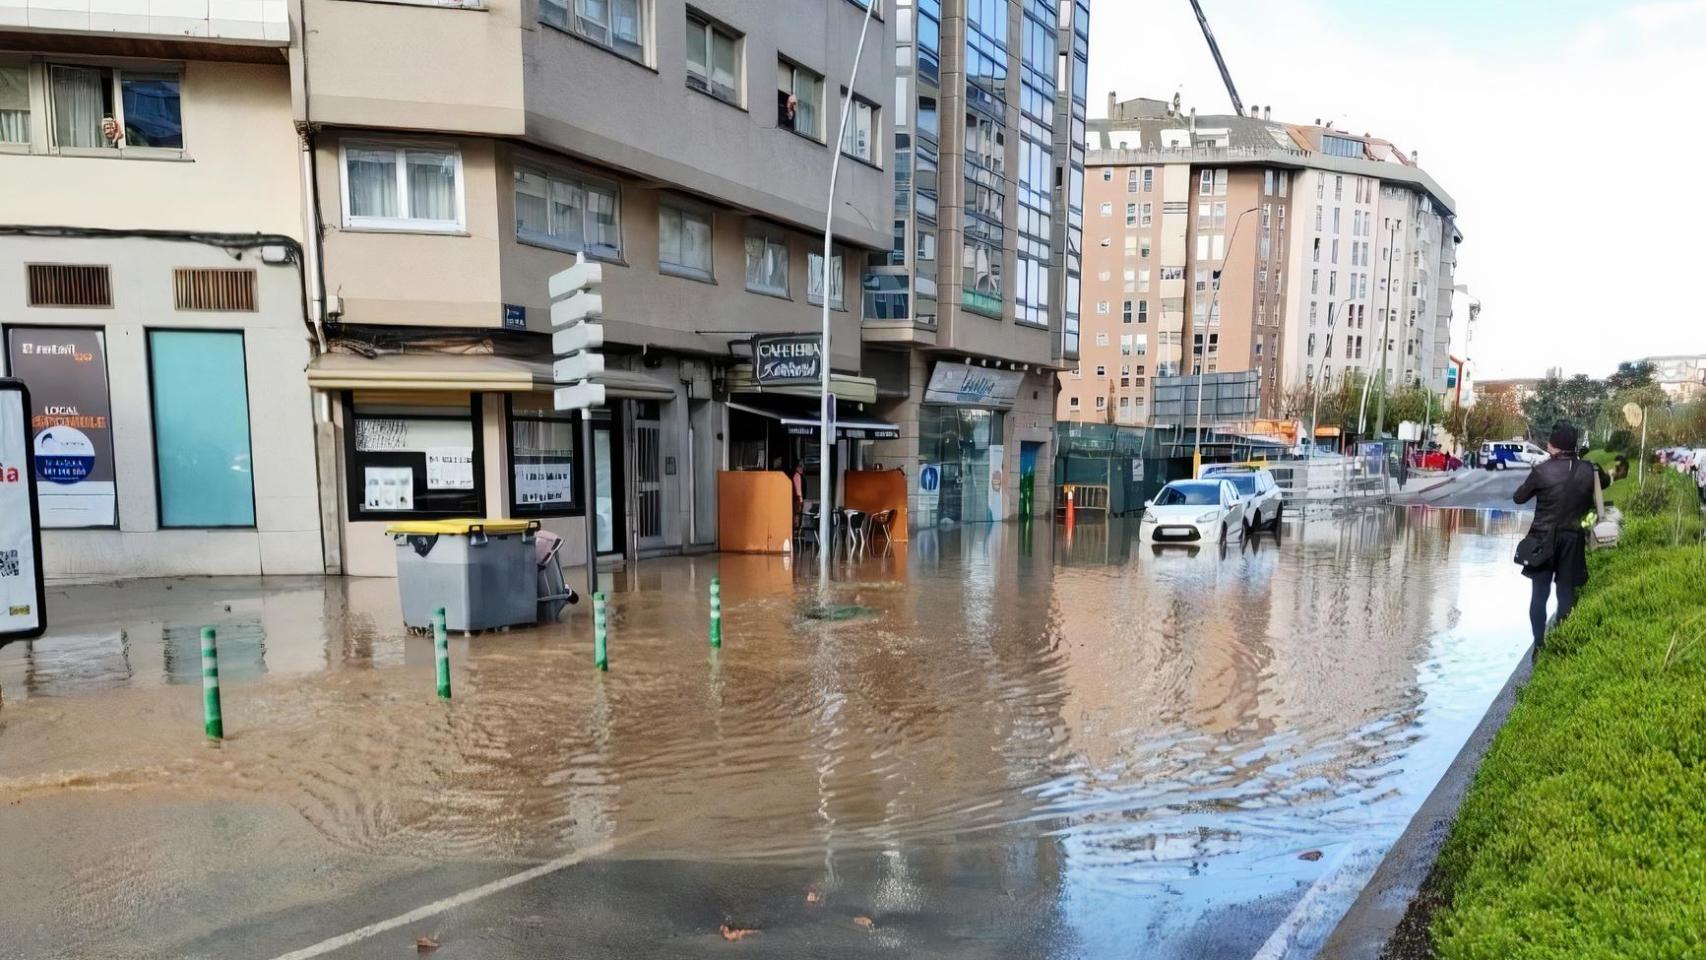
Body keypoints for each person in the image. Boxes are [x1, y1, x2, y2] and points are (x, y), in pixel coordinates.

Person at [1513, 422, 1599, 655]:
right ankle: (1562, 641)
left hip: (1542, 540)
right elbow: (1598, 497)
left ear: (1553, 446)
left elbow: (1519, 498)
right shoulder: (1588, 470)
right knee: (1566, 593)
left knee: (1539, 595)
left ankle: (1539, 645)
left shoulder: (1541, 470)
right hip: (1573, 539)